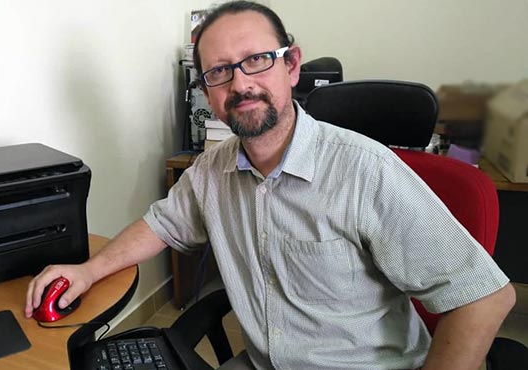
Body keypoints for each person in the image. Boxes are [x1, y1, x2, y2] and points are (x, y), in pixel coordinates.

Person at [25, 2, 515, 369]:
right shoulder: (213, 171)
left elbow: (483, 297)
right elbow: (160, 226)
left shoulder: (366, 171)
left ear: (291, 65)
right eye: (218, 72)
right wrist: (89, 270)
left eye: (257, 59)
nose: (240, 84)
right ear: (207, 91)